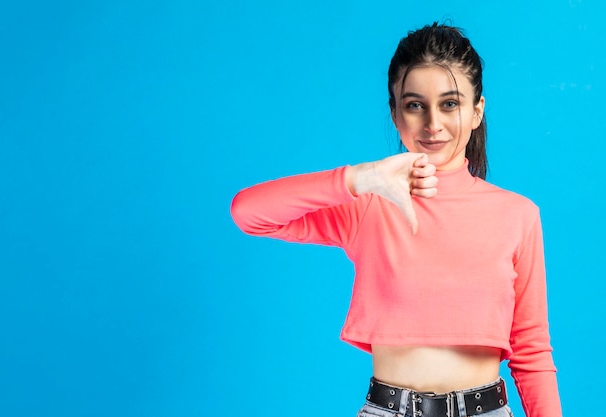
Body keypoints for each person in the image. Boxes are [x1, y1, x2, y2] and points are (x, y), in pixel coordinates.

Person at [230, 22, 562, 417]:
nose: (433, 123)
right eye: (415, 104)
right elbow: (249, 212)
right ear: (395, 114)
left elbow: (531, 349)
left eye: (450, 103)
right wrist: (360, 178)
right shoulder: (368, 205)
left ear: (477, 111)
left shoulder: (517, 215)